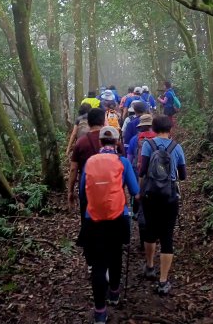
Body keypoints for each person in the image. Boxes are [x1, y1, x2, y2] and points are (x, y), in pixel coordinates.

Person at [80, 126, 139, 323]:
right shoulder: (122, 161)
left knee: (98, 264)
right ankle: (114, 292)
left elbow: (82, 192)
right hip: (117, 217)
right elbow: (135, 190)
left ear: (100, 143)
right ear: (116, 142)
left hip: (92, 219)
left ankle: (99, 312)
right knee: (115, 254)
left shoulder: (89, 162)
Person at [139, 115, 186, 296]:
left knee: (150, 231)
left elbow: (142, 171)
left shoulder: (147, 145)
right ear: (170, 129)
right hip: (169, 196)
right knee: (167, 236)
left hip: (150, 195)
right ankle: (163, 280)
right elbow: (182, 175)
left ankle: (150, 267)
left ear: (154, 128)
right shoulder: (177, 147)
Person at [68, 108, 106, 219]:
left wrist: (70, 191)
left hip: (86, 184)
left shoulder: (81, 142)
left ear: (88, 123)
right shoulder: (112, 141)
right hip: (108, 182)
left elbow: (73, 169)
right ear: (103, 122)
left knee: (87, 214)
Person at [127, 113, 156, 250]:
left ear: (140, 126)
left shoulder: (134, 139)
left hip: (140, 178)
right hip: (157, 179)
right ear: (151, 126)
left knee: (142, 209)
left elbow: (129, 158)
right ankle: (155, 238)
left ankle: (143, 241)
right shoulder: (158, 139)